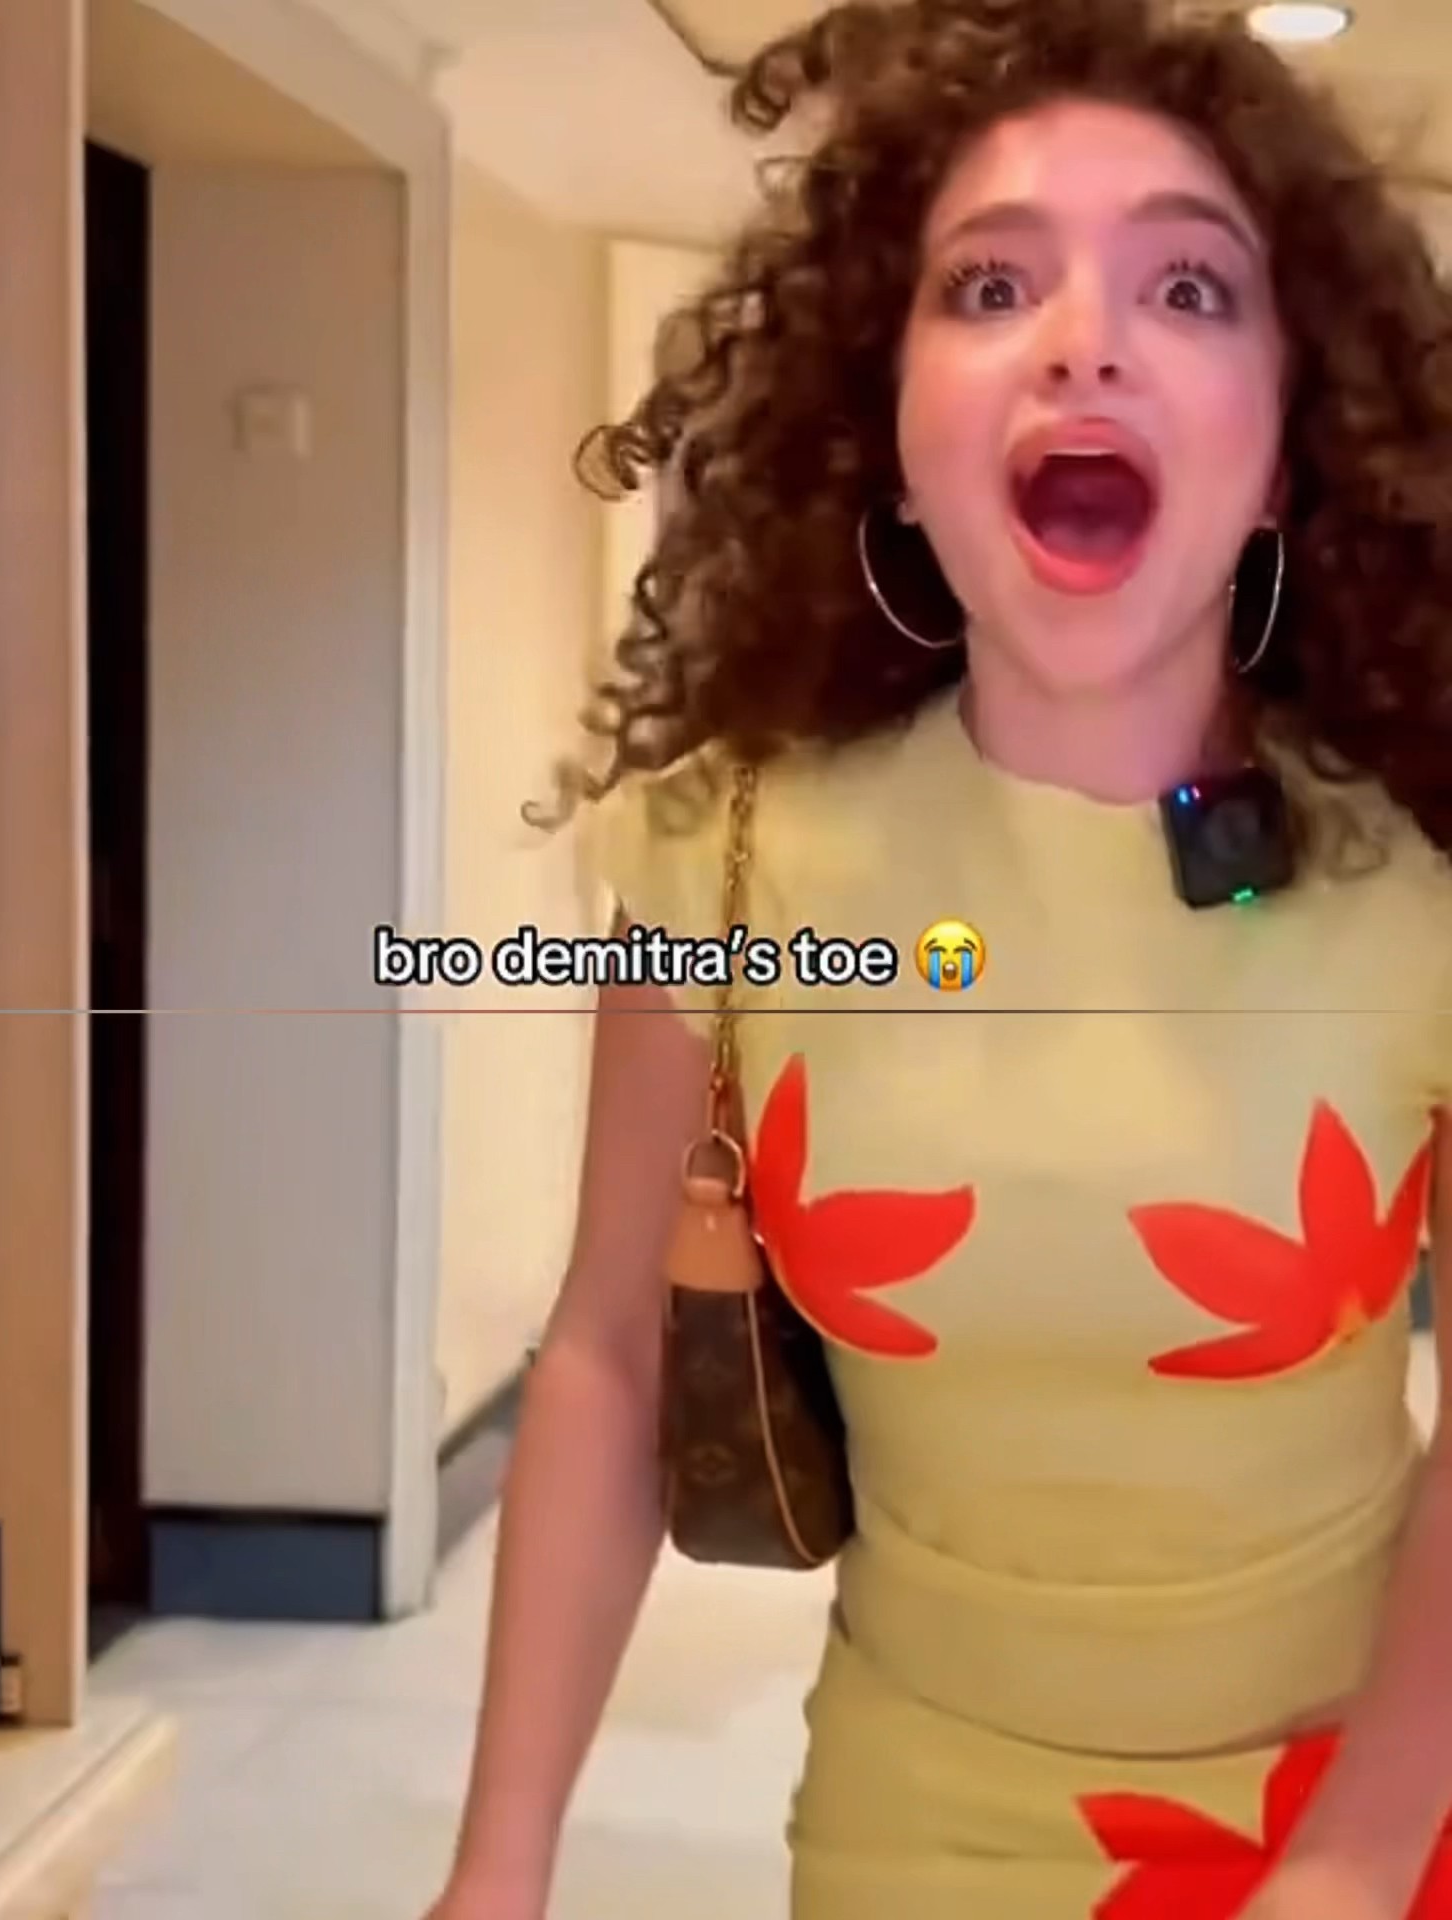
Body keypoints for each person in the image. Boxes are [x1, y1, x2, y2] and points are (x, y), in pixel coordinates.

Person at [425, 0, 1452, 1914]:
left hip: (1367, 1818)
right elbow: (610, 1359)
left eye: (1189, 290)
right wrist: (498, 1868)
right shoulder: (728, 852)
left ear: (1287, 451)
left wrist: (1353, 1863)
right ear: (889, 440)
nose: (1084, 340)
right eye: (991, 283)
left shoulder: (1426, 888)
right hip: (914, 1822)